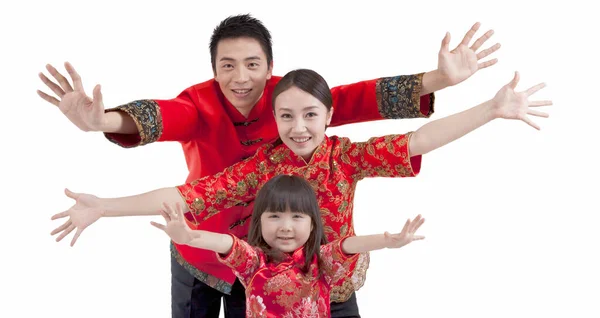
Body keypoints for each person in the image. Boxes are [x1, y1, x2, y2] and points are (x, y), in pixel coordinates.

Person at [50, 67, 550, 317]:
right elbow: (189, 195)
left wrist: (489, 109)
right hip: (270, 298)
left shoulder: (346, 157)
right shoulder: (261, 166)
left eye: (310, 114)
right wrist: (105, 206)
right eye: (286, 116)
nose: (298, 126)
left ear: (329, 117)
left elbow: (419, 140)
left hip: (336, 294)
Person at [151, 175, 425, 318]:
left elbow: (348, 245)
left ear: (312, 225)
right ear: (260, 222)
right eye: (274, 216)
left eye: (297, 217)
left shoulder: (320, 261)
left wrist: (388, 241)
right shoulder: (254, 262)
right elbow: (226, 242)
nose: (285, 226)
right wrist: (188, 237)